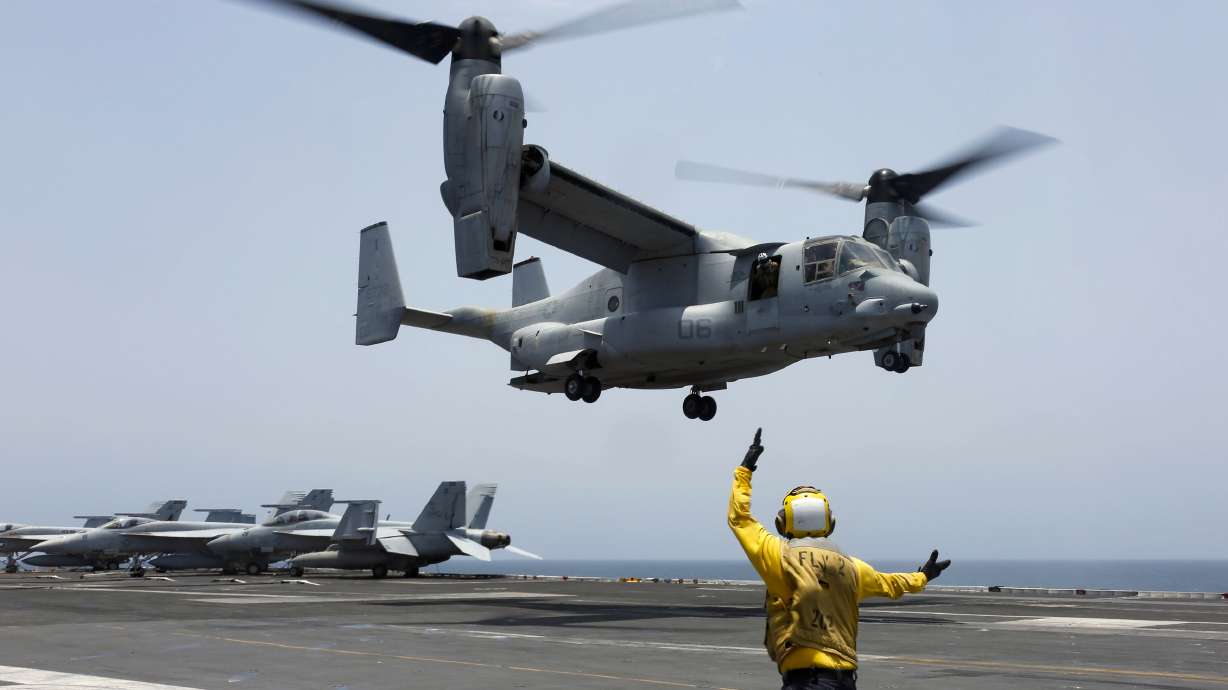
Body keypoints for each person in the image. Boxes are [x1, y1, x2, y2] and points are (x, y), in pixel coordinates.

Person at [727, 428, 951, 690]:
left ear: (783, 522)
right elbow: (891, 584)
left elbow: (739, 518)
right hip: (845, 680)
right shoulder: (853, 568)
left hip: (807, 680)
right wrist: (923, 576)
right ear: (829, 522)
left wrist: (745, 470)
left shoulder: (779, 557)